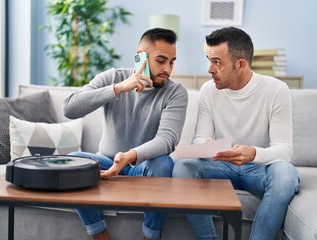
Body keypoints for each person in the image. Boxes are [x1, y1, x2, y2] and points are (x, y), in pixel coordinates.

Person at [172, 27, 300, 240]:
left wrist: (253, 154)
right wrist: (211, 149)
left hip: (260, 169)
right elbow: (200, 140)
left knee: (286, 175)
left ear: (240, 64)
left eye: (217, 62)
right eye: (209, 60)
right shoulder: (208, 91)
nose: (209, 69)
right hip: (222, 166)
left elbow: (284, 150)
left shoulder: (276, 90)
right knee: (183, 167)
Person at [63, 28, 188, 240]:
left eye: (172, 61)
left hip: (141, 166)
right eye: (161, 60)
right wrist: (118, 88)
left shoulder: (175, 92)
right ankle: (99, 233)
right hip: (106, 162)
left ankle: (150, 236)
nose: (168, 68)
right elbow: (69, 108)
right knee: (73, 161)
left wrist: (130, 156)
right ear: (141, 57)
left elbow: (167, 140)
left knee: (163, 163)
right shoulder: (114, 77)